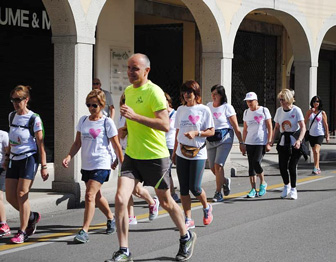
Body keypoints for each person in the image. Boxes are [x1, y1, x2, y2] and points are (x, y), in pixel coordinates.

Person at [106, 53, 196, 262]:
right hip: (133, 156)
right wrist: (126, 129)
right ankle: (123, 250)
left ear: (146, 70)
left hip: (155, 156)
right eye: (128, 68)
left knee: (166, 202)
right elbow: (132, 120)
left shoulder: (155, 92)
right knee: (120, 199)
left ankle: (186, 235)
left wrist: (135, 117)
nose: (130, 72)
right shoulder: (128, 91)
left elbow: (165, 125)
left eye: (134, 68)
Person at [62, 89, 123, 243]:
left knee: (89, 195)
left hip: (102, 163)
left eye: (94, 105)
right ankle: (111, 217)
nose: (91, 108)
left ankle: (84, 230)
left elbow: (116, 145)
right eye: (88, 105)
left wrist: (122, 163)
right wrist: (69, 156)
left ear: (102, 105)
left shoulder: (107, 122)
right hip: (87, 164)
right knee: (96, 195)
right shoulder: (83, 121)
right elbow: (77, 143)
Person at [5, 85, 49, 244]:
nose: (16, 103)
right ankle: (32, 217)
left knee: (22, 194)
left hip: (29, 159)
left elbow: (40, 144)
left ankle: (23, 231)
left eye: (19, 100)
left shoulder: (34, 118)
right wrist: (7, 157)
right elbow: (11, 138)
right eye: (13, 100)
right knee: (10, 196)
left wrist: (44, 166)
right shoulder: (11, 116)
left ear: (27, 99)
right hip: (14, 159)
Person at [172, 80, 214, 230]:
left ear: (196, 94)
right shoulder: (180, 110)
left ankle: (206, 206)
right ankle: (188, 218)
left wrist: (197, 133)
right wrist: (174, 152)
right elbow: (177, 131)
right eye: (184, 92)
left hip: (198, 152)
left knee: (195, 187)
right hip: (182, 152)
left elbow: (211, 131)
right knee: (183, 188)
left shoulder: (204, 110)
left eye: (190, 92)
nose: (187, 95)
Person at [117, 92, 160, 225]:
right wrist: (115, 157)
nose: (125, 104)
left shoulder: (135, 116)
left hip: (135, 155)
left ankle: (152, 202)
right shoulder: (120, 117)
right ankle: (131, 216)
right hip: (123, 154)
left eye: (127, 101)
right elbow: (118, 139)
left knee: (136, 189)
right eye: (123, 101)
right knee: (125, 189)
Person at [206, 84, 244, 202]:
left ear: (221, 95)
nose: (213, 96)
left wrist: (241, 142)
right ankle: (225, 181)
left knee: (219, 165)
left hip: (225, 138)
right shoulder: (208, 106)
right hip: (211, 138)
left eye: (215, 94)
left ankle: (218, 193)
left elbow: (235, 126)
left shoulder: (227, 107)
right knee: (212, 167)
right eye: (212, 94)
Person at [270, 89, 306, 200]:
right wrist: (271, 141)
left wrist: (299, 140)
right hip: (283, 140)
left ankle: (294, 189)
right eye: (280, 100)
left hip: (295, 140)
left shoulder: (296, 110)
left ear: (289, 100)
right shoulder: (279, 111)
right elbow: (276, 127)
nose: (281, 102)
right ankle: (286, 185)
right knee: (282, 166)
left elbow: (303, 127)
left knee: (292, 166)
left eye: (283, 100)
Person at [242, 92, 273, 198]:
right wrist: (243, 143)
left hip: (261, 142)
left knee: (256, 162)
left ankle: (263, 183)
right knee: (251, 166)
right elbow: (245, 129)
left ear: (256, 101)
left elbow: (269, 127)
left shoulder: (264, 110)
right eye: (247, 101)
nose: (249, 103)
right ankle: (253, 189)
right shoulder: (246, 112)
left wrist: (269, 142)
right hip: (249, 142)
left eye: (251, 101)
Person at [304, 96, 330, 175]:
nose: (316, 103)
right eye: (314, 101)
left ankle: (315, 167)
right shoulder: (309, 112)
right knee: (314, 152)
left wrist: (327, 135)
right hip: (311, 134)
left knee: (316, 150)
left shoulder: (322, 113)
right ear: (312, 103)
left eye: (317, 102)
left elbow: (325, 124)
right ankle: (318, 167)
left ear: (319, 103)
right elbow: (304, 122)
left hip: (320, 134)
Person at [164, 92, 180, 202]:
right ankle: (172, 194)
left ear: (168, 102)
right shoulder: (159, 114)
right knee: (166, 171)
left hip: (171, 144)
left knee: (166, 170)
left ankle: (171, 194)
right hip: (161, 145)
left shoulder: (176, 114)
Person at [0, 130, 10, 237]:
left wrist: (6, 163)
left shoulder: (3, 135)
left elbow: (9, 151)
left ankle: (4, 224)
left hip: (1, 169)